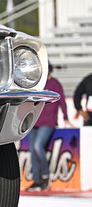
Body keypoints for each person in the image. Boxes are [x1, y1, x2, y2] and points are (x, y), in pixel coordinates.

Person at [27, 64, 68, 192]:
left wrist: (66, 117)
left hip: (48, 122)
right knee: (33, 151)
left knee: (38, 147)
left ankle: (45, 176)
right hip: (34, 121)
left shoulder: (55, 83)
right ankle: (36, 181)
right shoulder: (35, 84)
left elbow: (61, 101)